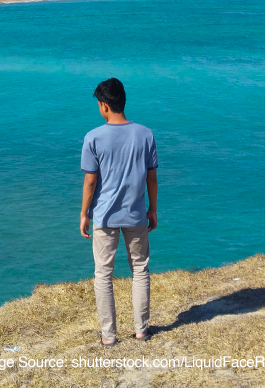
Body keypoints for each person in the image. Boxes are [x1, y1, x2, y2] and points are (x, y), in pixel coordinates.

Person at [80, 78, 158, 346]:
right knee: (140, 270)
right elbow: (152, 178)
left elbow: (90, 181)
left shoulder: (93, 138)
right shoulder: (146, 134)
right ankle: (141, 330)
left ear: (104, 106)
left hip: (105, 216)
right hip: (136, 213)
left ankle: (109, 336)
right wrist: (153, 209)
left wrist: (84, 213)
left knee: (103, 274)